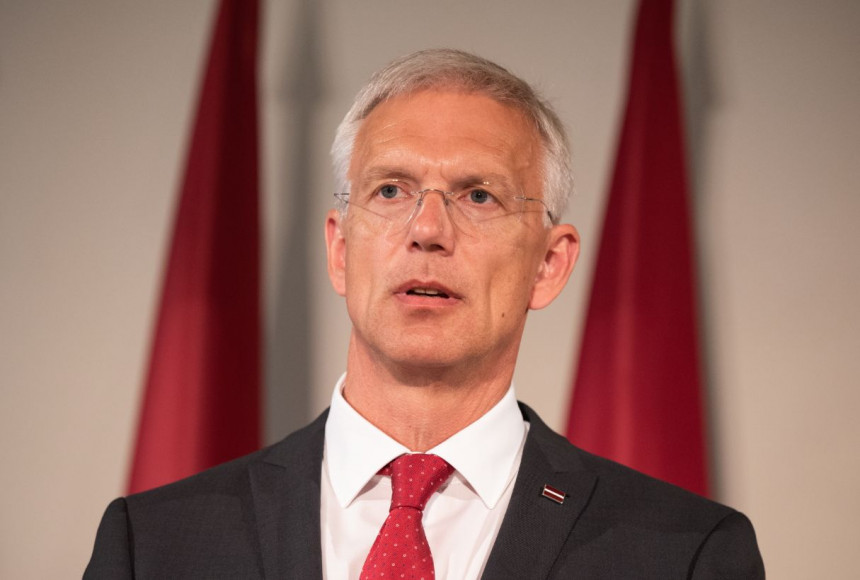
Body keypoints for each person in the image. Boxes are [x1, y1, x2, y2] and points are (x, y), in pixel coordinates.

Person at [85, 48, 764, 579]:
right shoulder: (154, 545)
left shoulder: (684, 554)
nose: (428, 230)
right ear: (340, 250)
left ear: (549, 264)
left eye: (478, 196)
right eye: (390, 190)